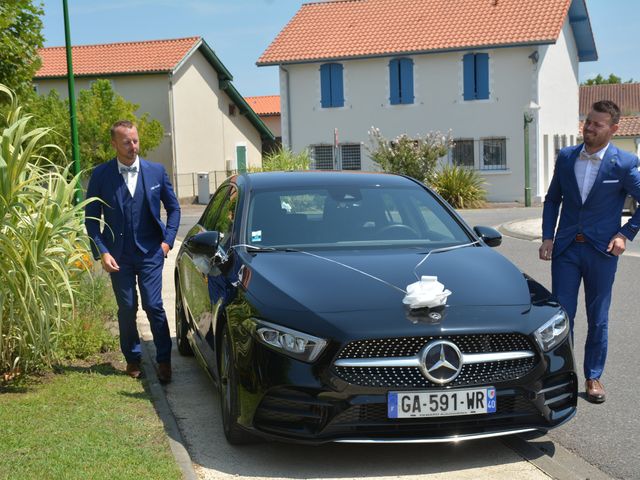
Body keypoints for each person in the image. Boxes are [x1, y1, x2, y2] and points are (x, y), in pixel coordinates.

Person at [539, 100, 640, 403]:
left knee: (598, 317)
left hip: (601, 252)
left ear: (613, 129)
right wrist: (547, 237)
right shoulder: (567, 157)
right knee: (562, 316)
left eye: (597, 124)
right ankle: (562, 376)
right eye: (587, 122)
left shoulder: (623, 163)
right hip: (567, 249)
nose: (589, 128)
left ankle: (593, 376)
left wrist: (626, 233)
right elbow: (552, 199)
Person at [85, 120, 181, 384]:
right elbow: (91, 219)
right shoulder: (101, 175)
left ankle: (163, 360)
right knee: (127, 308)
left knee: (154, 305)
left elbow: (174, 209)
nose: (133, 146)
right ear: (114, 143)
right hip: (118, 255)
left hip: (150, 251)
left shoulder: (156, 172)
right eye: (126, 142)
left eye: (135, 140)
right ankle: (133, 358)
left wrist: (167, 242)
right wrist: (102, 252)